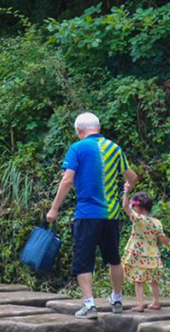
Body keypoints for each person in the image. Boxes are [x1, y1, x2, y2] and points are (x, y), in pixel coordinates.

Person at [46, 112, 138, 319]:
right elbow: (132, 176)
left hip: (87, 214)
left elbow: (67, 180)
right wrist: (127, 189)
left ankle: (89, 305)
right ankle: (117, 298)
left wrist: (54, 208)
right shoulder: (114, 148)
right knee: (114, 259)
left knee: (83, 261)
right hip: (111, 215)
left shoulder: (77, 148)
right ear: (98, 127)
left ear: (79, 130)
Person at [121, 188, 170, 312]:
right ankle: (156, 302)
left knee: (138, 280)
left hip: (138, 254)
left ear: (138, 207)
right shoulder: (157, 222)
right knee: (153, 280)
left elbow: (125, 207)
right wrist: (169, 246)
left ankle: (140, 304)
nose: (132, 208)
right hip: (152, 255)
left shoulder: (138, 219)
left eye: (133, 205)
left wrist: (126, 192)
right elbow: (162, 237)